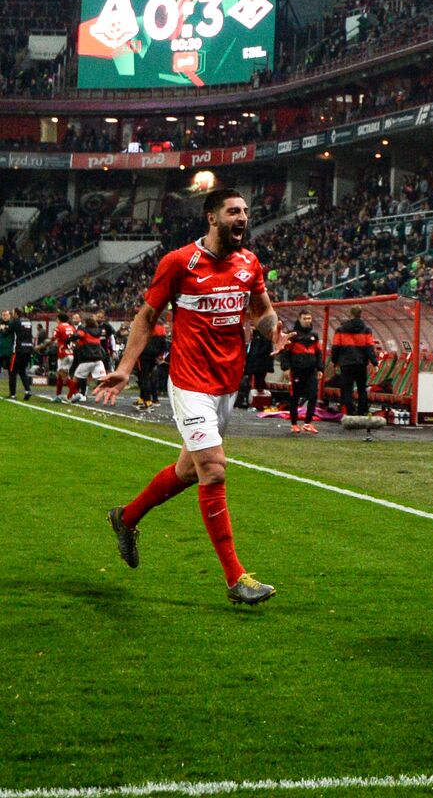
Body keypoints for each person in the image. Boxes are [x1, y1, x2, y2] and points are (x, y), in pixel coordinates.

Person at [95, 188, 282, 605]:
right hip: (189, 381)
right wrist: (125, 368)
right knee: (213, 469)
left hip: (226, 385)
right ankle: (236, 579)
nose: (244, 218)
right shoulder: (179, 262)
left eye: (247, 212)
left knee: (188, 470)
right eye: (234, 211)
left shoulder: (250, 263)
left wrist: (273, 328)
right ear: (212, 218)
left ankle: (125, 519)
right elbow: (147, 317)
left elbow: (261, 310)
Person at [281, 309, 324, 434]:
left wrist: (320, 368)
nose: (307, 321)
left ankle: (307, 423)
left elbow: (318, 353)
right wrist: (286, 368)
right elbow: (286, 352)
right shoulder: (293, 335)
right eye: (305, 318)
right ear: (299, 319)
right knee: (295, 396)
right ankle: (294, 424)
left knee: (313, 396)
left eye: (309, 318)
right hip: (297, 370)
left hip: (311, 370)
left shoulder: (314, 336)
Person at [332, 305, 376, 416]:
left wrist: (335, 361)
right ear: (360, 314)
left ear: (350, 314)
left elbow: (336, 347)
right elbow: (369, 348)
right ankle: (362, 412)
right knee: (362, 388)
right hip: (361, 364)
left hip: (346, 364)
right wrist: (374, 362)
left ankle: (350, 412)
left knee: (347, 389)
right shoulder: (366, 330)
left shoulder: (340, 330)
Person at [68, 313, 109, 402]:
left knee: (76, 377)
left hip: (86, 359)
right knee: (103, 378)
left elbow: (76, 336)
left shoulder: (84, 331)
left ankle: (72, 395)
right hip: (98, 359)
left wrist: (69, 339)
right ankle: (108, 392)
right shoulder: (98, 331)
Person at [135, 314, 167, 410]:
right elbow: (163, 343)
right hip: (154, 354)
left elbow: (137, 341)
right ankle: (143, 398)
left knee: (143, 377)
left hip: (144, 354)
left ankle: (147, 401)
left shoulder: (144, 328)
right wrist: (160, 355)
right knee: (149, 376)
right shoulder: (161, 328)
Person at [3, 309, 34, 400]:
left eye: (12, 313)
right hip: (28, 348)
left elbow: (6, 333)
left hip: (18, 350)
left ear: (16, 314)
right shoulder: (28, 321)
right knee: (22, 371)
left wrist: (3, 328)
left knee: (12, 372)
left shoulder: (15, 322)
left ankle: (13, 394)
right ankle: (28, 390)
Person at [48, 313, 76, 402]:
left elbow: (53, 339)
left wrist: (43, 346)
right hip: (71, 353)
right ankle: (58, 395)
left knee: (63, 375)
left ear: (59, 319)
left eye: (57, 319)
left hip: (63, 354)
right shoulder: (72, 328)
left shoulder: (59, 327)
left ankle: (75, 393)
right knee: (61, 375)